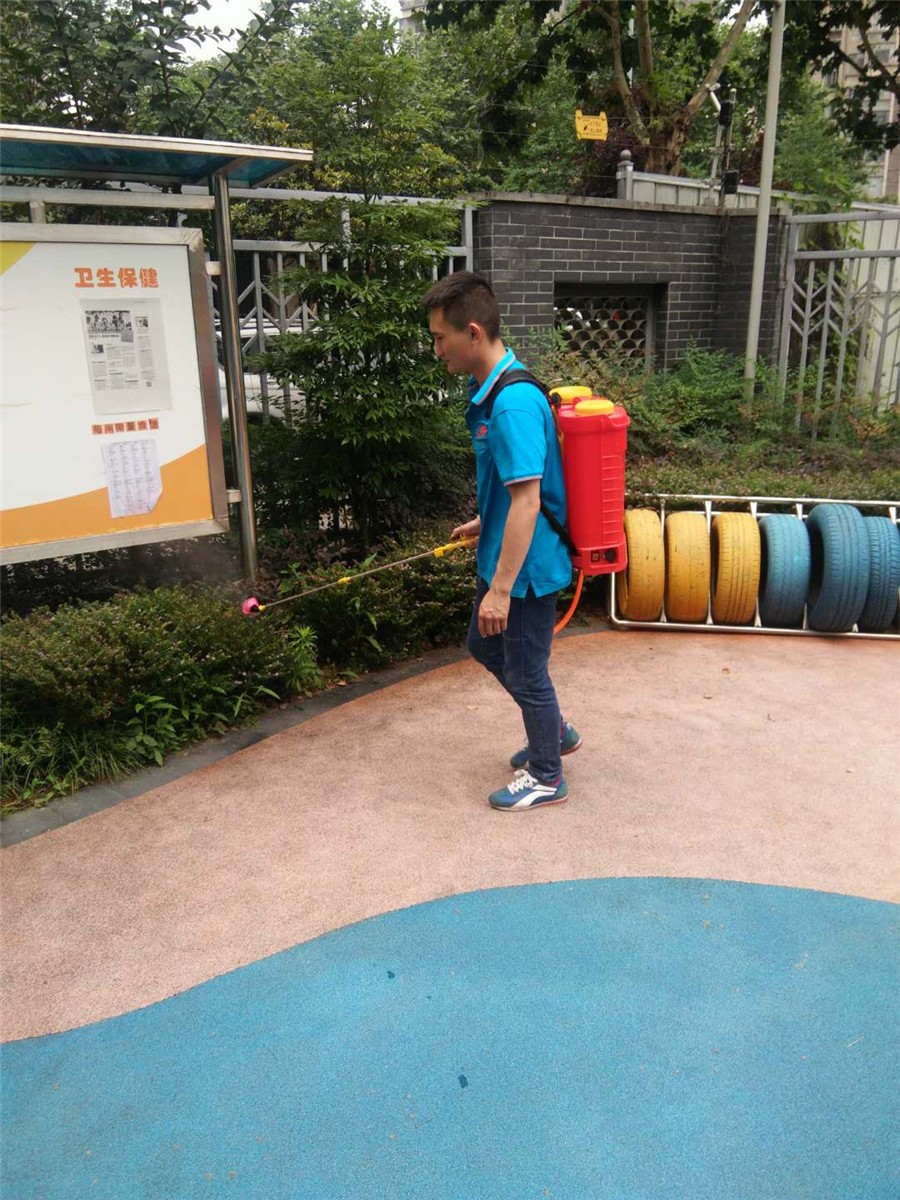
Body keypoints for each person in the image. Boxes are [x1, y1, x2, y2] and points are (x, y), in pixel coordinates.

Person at [421, 270, 581, 812]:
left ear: (472, 332)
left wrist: (502, 590)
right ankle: (553, 731)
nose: (436, 349)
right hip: (506, 553)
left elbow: (529, 503)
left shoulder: (511, 404)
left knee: (527, 670)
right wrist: (483, 521)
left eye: (440, 338)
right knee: (485, 645)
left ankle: (547, 774)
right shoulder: (492, 391)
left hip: (526, 572)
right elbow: (511, 491)